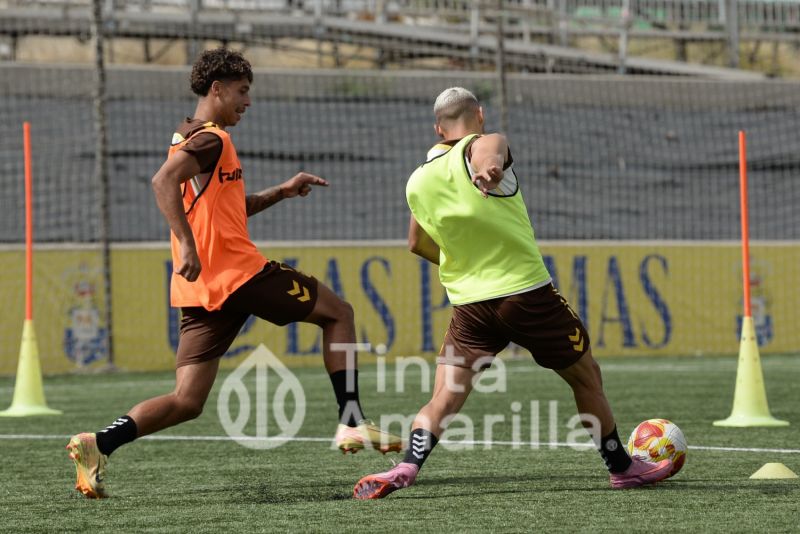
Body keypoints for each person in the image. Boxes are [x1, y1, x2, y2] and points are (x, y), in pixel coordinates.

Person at [66, 47, 401, 499]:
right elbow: (161, 183)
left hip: (204, 287)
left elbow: (228, 212)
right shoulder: (212, 140)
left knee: (187, 401)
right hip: (239, 274)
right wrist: (185, 243)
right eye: (242, 91)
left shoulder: (187, 137)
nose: (248, 101)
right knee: (339, 313)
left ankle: (98, 444)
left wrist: (281, 192)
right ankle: (352, 422)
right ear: (217, 89)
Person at [353, 87, 673, 499]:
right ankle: (621, 466)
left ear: (437, 128)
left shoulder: (418, 180)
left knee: (445, 396)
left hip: (469, 305)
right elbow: (490, 152)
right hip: (525, 295)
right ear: (480, 115)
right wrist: (489, 169)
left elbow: (416, 243)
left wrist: (465, 261)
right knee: (586, 376)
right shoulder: (486, 141)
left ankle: (407, 466)